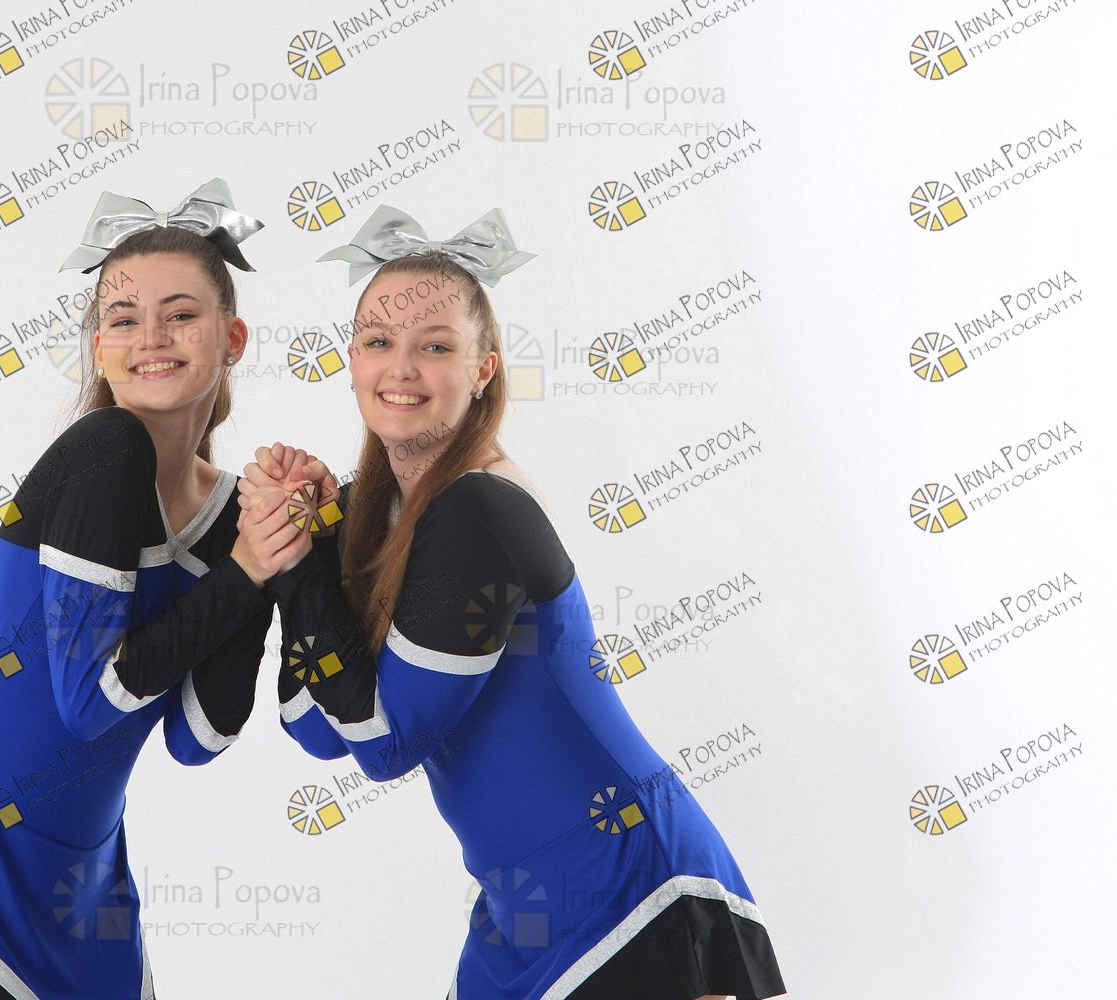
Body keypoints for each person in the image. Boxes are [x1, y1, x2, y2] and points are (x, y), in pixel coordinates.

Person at [237, 205, 788, 1000]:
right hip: (521, 911)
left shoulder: (477, 513)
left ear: (484, 369)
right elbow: (319, 730)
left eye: (436, 346)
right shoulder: (380, 512)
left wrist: (295, 570)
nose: (401, 368)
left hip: (628, 888)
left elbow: (386, 746)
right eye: (379, 342)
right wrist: (318, 547)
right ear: (350, 360)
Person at [0, 179, 312, 1000]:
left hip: (87, 883)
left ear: (234, 336)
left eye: (180, 314)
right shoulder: (103, 451)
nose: (151, 338)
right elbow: (90, 701)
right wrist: (245, 571)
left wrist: (271, 554)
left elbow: (200, 736)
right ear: (98, 345)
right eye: (123, 319)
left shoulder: (226, 510)